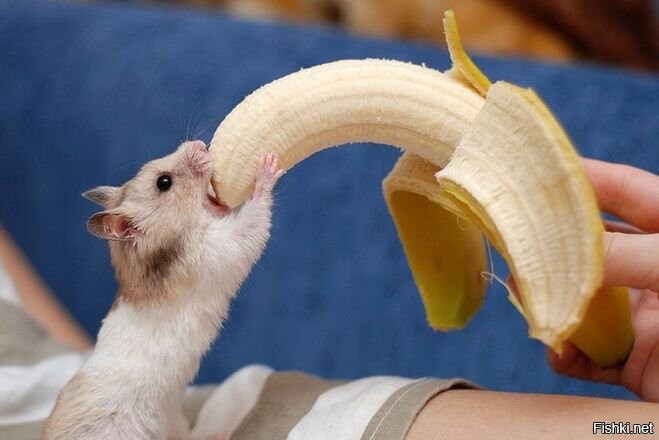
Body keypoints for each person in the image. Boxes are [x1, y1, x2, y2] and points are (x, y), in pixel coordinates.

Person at [0, 158, 657, 439]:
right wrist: (260, 192)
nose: (189, 158)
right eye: (168, 181)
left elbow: (72, 355)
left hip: (144, 399)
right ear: (128, 231)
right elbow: (233, 252)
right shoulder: (179, 271)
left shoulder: (162, 282)